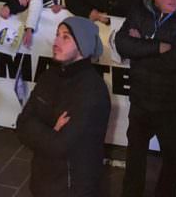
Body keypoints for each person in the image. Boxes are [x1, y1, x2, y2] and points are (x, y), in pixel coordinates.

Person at [115, 0, 176, 197]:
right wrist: (155, 47)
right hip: (141, 102)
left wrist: (139, 48)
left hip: (172, 105)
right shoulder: (139, 11)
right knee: (135, 156)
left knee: (172, 158)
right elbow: (122, 43)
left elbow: (175, 62)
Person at [16, 16, 111, 197]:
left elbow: (60, 145)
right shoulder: (49, 76)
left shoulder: (92, 90)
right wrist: (52, 130)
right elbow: (22, 125)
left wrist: (40, 129)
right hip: (41, 181)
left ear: (83, 45)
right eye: (57, 35)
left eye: (66, 37)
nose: (56, 42)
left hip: (72, 187)